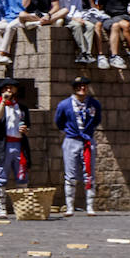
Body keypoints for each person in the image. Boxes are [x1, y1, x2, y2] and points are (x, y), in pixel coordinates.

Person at [54, 77, 101, 217]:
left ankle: (90, 206)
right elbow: (59, 121)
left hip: (87, 140)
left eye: (85, 86)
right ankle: (69, 206)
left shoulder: (94, 104)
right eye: (79, 86)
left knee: (89, 173)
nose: (82, 89)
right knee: (70, 174)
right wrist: (70, 131)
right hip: (71, 140)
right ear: (74, 88)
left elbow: (97, 120)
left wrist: (87, 133)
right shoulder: (64, 105)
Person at [0, 79, 28, 217]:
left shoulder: (22, 107)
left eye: (11, 88)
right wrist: (3, 102)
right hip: (3, 145)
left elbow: (27, 124)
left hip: (19, 144)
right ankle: (2, 208)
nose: (9, 91)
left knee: (21, 176)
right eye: (6, 88)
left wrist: (25, 130)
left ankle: (22, 207)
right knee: (1, 176)